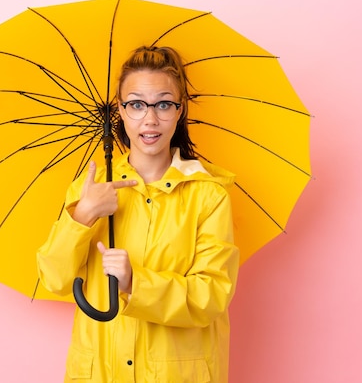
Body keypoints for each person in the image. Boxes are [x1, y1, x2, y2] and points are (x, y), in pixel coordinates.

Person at [37, 46, 239, 382]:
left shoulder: (208, 195)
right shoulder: (89, 190)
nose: (150, 119)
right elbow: (55, 280)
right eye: (136, 104)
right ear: (120, 109)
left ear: (179, 110)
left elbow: (211, 296)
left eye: (163, 104)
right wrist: (83, 216)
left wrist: (136, 282)